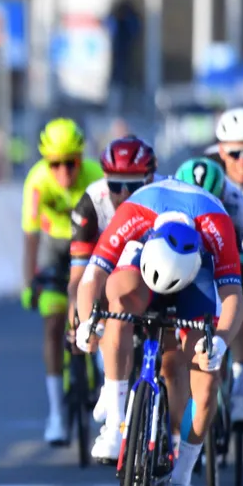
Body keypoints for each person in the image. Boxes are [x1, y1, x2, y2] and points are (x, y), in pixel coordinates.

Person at [75, 178, 243, 486]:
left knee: (207, 380)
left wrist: (221, 342)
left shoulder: (217, 225)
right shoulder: (133, 213)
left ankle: (181, 483)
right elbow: (91, 277)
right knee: (118, 303)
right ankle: (116, 422)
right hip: (141, 260)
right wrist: (87, 321)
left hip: (198, 273)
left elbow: (233, 300)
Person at [21, 118, 105, 444]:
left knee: (102, 317)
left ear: (81, 158)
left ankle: (106, 387)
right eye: (55, 163)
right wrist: (29, 282)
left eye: (71, 162)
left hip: (92, 245)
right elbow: (30, 237)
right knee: (53, 324)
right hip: (53, 249)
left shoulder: (96, 176)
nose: (64, 172)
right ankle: (56, 412)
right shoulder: (37, 181)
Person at [67, 135, 160, 425]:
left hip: (155, 268)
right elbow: (80, 274)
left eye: (132, 186)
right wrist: (78, 315)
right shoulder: (92, 201)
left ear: (151, 177)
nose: (123, 193)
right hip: (107, 265)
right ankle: (109, 380)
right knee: (96, 302)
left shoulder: (163, 192)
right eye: (115, 185)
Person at [175, 156, 243, 427]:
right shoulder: (170, 197)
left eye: (213, 203)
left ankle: (241, 377)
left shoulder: (237, 202)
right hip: (185, 256)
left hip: (230, 255)